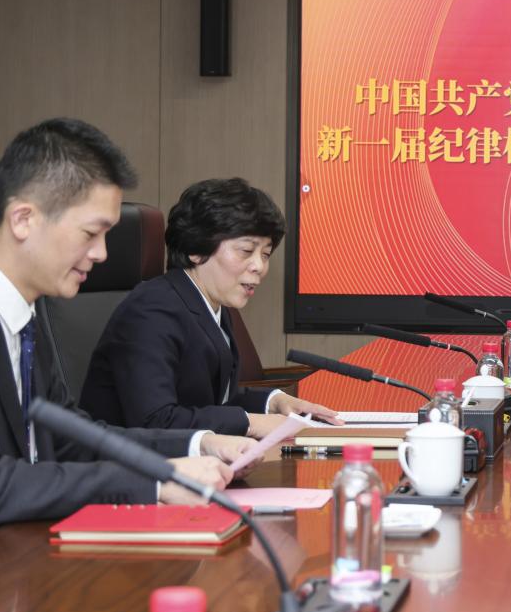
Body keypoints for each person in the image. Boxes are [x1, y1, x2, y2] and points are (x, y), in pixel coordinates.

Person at [0, 119, 258, 585]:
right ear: (24, 219)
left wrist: (197, 444)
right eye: (91, 233)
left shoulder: (20, 317)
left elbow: (71, 439)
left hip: (3, 572)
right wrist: (153, 482)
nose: (101, 253)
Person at [80, 177, 337, 436]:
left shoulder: (211, 303)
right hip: (124, 458)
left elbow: (212, 402)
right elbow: (156, 420)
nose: (259, 266)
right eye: (246, 251)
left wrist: (274, 402)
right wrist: (251, 423)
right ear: (196, 249)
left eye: (266, 254)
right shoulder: (151, 311)